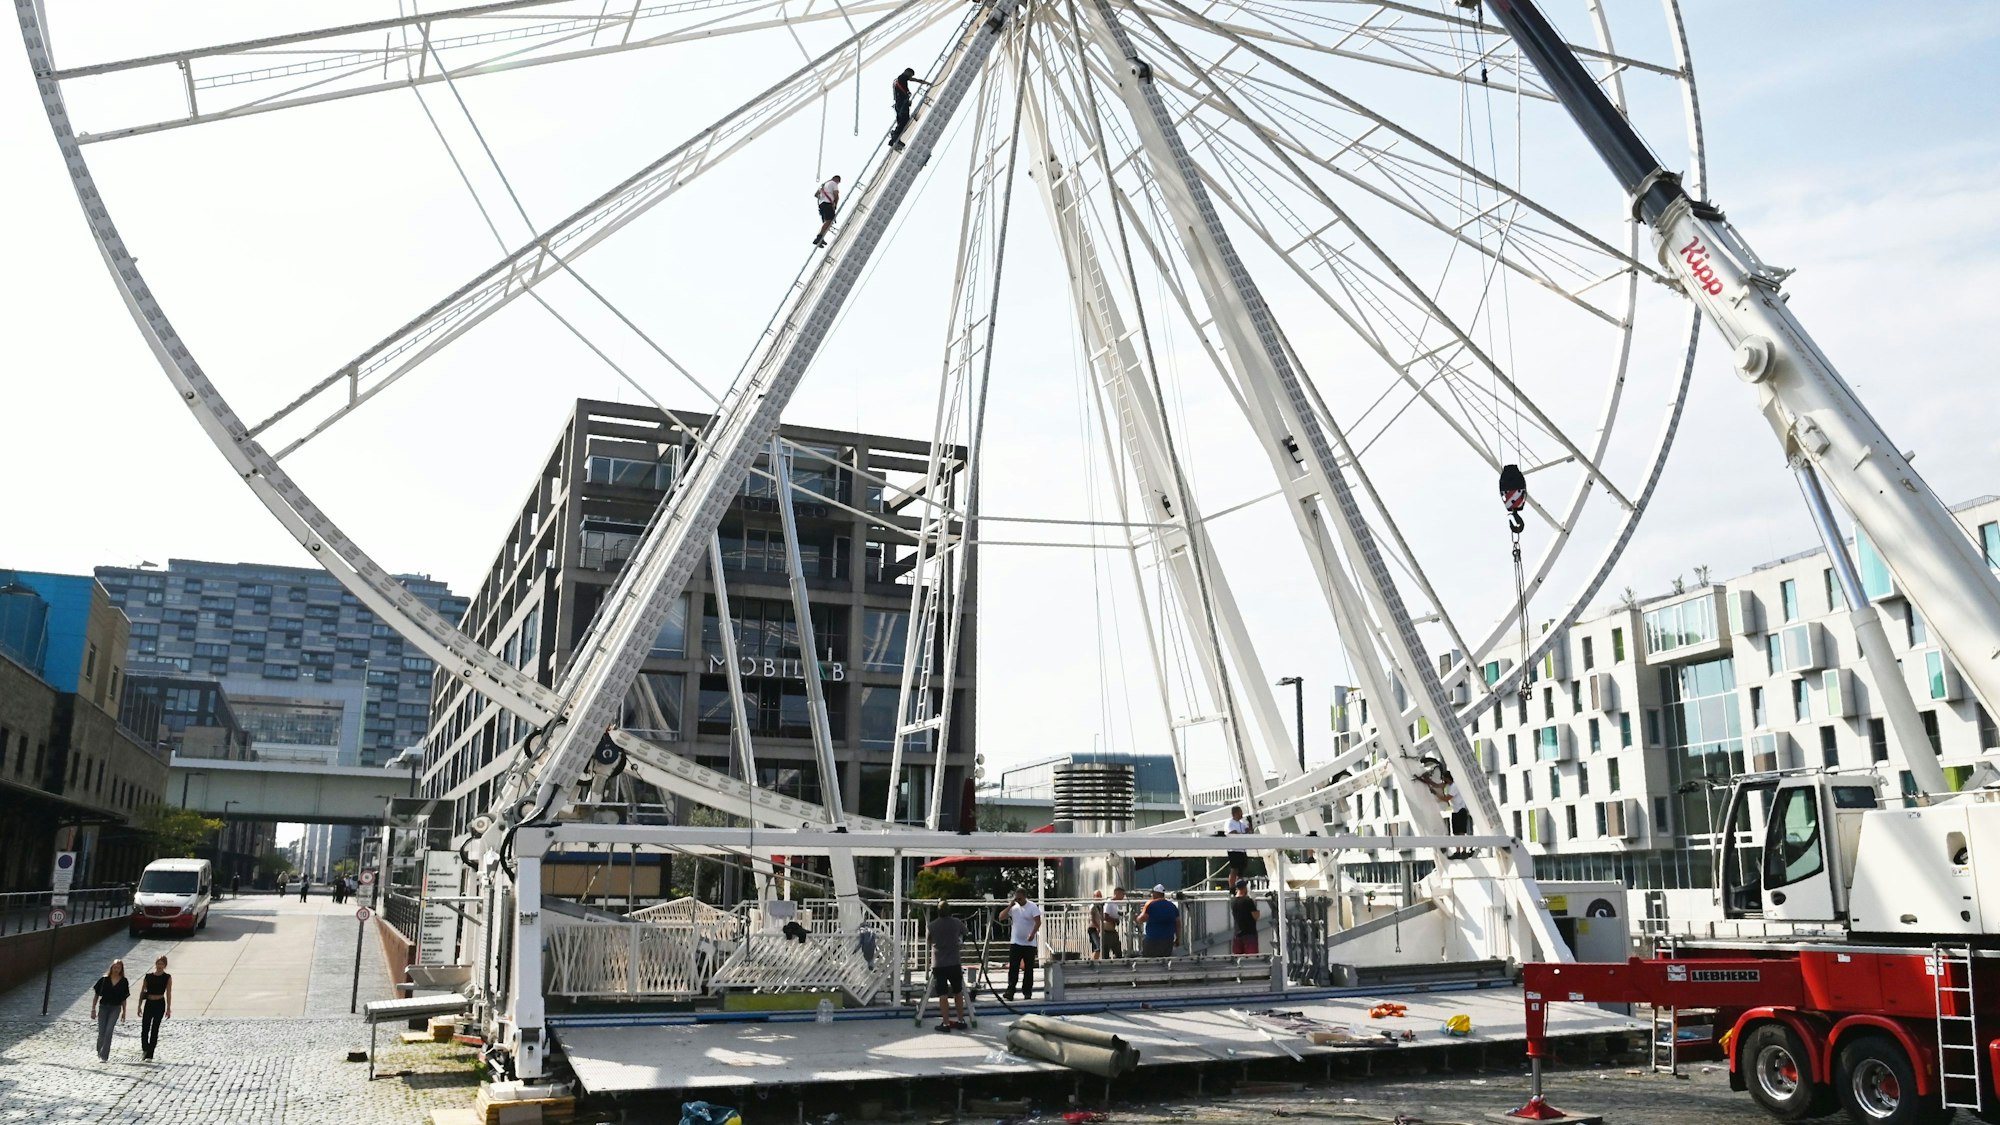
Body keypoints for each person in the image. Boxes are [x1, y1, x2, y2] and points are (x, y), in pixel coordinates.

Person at [927, 904, 968, 1031]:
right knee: (958, 992)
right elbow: (966, 932)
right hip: (954, 962)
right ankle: (961, 1020)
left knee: (943, 994)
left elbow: (929, 940)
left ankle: (945, 1023)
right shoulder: (956, 923)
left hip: (939, 963)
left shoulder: (932, 925)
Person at [997, 885, 1042, 1000]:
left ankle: (1027, 991)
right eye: (1017, 898)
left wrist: (1032, 934)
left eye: (1020, 899)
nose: (1018, 901)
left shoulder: (1032, 906)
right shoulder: (1014, 907)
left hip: (1029, 944)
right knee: (1013, 967)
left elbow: (1038, 922)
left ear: (1025, 897)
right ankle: (1010, 991)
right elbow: (1001, 917)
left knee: (1028, 968)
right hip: (1016, 942)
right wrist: (1010, 906)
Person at [90, 959, 130, 1062]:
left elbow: (124, 998)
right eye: (115, 967)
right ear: (111, 967)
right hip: (103, 1007)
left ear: (121, 969)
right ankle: (99, 1051)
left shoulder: (124, 981)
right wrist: (93, 1009)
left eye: (119, 967)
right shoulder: (104, 980)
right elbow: (96, 995)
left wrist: (124, 1012)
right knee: (102, 1032)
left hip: (115, 1008)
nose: (116, 969)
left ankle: (104, 1056)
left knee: (109, 1031)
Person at [138, 955, 172, 1061]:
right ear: (155, 964)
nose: (159, 966)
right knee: (145, 1028)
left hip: (160, 1004)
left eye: (162, 964)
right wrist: (139, 1006)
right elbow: (142, 991)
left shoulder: (167, 977)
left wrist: (168, 1008)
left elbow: (169, 993)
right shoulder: (148, 976)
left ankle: (150, 1054)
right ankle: (145, 1049)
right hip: (149, 1003)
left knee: (155, 1029)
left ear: (165, 965)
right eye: (158, 963)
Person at [888, 67, 930, 151]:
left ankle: (895, 136)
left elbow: (914, 80)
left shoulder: (900, 79)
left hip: (899, 103)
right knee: (904, 120)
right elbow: (901, 87)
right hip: (901, 103)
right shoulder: (901, 78)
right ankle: (895, 136)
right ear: (907, 72)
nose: (910, 77)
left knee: (901, 121)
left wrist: (923, 82)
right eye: (910, 75)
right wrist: (907, 94)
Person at [1136, 884, 1181, 958]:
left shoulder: (1150, 904)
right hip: (1168, 940)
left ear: (1156, 893)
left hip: (1152, 939)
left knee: (1149, 961)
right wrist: (1178, 938)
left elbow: (1141, 919)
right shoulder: (1172, 906)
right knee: (1165, 961)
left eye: (1153, 893)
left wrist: (1136, 918)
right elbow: (1178, 924)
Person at [1225, 805, 1252, 890]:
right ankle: (1232, 888)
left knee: (1241, 871)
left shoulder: (1241, 823)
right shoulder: (1229, 822)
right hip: (1234, 849)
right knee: (1234, 869)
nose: (1242, 814)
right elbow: (1233, 833)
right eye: (1240, 812)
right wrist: (1242, 834)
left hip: (1242, 850)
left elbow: (1248, 831)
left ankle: (1240, 887)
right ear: (1235, 813)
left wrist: (1250, 825)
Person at [1229, 883, 1261, 955]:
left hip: (1237, 934)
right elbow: (1256, 916)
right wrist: (1254, 902)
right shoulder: (1248, 901)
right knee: (1252, 959)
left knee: (1237, 959)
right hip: (1249, 934)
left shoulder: (1233, 901)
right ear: (1244, 888)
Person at [812, 175, 842, 247]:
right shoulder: (834, 183)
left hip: (821, 205)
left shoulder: (824, 185)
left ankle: (820, 237)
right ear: (836, 179)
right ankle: (819, 237)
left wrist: (822, 197)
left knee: (826, 223)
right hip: (828, 204)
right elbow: (836, 194)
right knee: (829, 221)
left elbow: (816, 195)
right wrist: (835, 204)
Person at [1099, 887, 1125, 959]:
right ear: (1117, 893)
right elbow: (1105, 917)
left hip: (1112, 931)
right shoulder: (1109, 902)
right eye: (1122, 894)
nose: (1123, 896)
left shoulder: (1116, 904)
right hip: (1106, 931)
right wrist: (1115, 920)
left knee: (1118, 952)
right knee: (1105, 953)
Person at [1086, 891, 1103, 959]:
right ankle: (1093, 962)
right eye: (1097, 896)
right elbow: (1092, 919)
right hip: (1093, 929)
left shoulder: (1099, 906)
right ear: (1094, 897)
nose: (1099, 897)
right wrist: (1098, 927)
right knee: (1098, 947)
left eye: (1100, 896)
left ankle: (1094, 961)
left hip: (1097, 928)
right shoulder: (1092, 906)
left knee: (1095, 947)